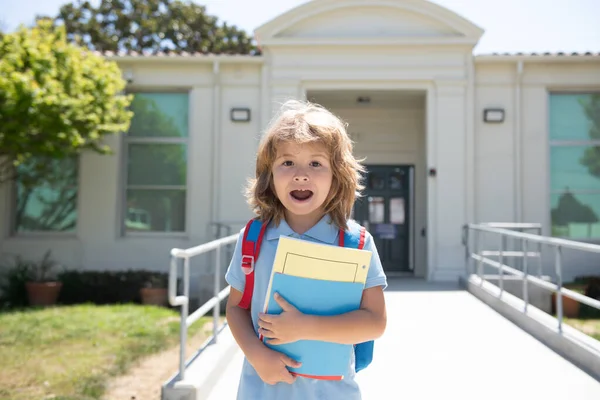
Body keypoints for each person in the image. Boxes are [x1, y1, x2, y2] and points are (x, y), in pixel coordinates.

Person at [224, 99, 387, 400]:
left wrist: (305, 327)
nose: (301, 174)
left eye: (316, 163)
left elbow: (375, 322)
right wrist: (258, 356)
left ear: (337, 176)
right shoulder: (253, 238)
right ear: (268, 176)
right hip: (262, 391)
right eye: (287, 162)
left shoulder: (357, 244)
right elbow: (236, 308)